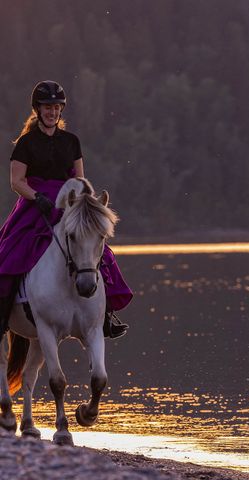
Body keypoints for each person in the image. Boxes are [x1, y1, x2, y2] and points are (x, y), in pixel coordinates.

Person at [0, 80, 132, 338]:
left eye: (56, 107)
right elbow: (16, 182)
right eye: (47, 107)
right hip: (34, 206)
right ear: (38, 109)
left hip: (68, 205)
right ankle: (4, 315)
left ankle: (105, 316)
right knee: (9, 255)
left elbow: (80, 180)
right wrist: (37, 198)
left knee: (99, 252)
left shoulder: (71, 141)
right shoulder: (26, 143)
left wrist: (84, 207)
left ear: (61, 110)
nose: (52, 112)